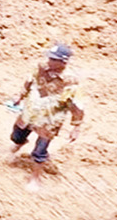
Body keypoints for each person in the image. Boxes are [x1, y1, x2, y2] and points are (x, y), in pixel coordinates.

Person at [7, 42, 85, 190]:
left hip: (51, 118)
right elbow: (30, 81)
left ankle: (36, 177)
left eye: (54, 59)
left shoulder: (70, 80)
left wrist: (76, 126)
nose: (49, 61)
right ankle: (19, 143)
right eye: (49, 58)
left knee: (40, 150)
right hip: (32, 110)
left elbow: (76, 104)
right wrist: (20, 95)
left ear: (63, 62)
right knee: (17, 134)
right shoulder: (41, 68)